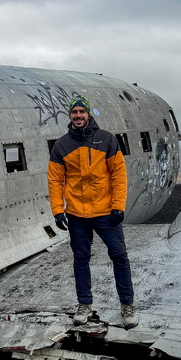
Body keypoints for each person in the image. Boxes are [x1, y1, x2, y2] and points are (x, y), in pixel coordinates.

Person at [47, 95, 138, 328]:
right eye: (74, 112)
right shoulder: (62, 145)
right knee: (80, 259)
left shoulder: (106, 140)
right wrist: (58, 210)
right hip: (77, 214)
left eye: (82, 112)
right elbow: (55, 180)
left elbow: (118, 175)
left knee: (119, 256)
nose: (78, 116)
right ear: (70, 116)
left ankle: (127, 305)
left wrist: (118, 206)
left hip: (106, 212)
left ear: (88, 114)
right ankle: (84, 305)